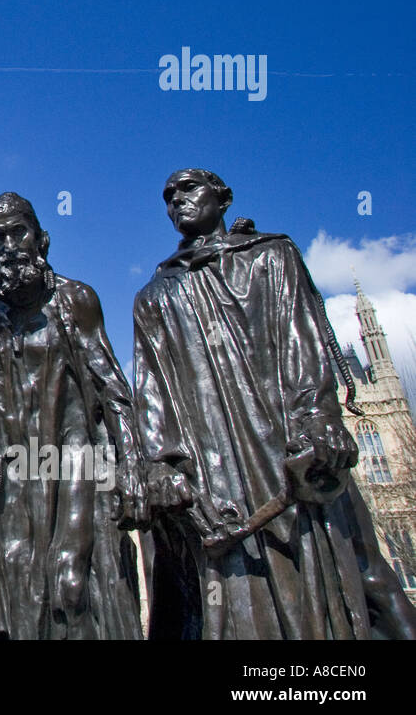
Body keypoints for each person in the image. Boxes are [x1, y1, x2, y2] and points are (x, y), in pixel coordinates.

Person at [133, 167, 414, 638]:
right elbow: (153, 394)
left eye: (189, 189)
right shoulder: (156, 295)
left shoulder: (273, 256)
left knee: (367, 579)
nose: (177, 201)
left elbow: (301, 341)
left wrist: (321, 417)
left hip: (294, 451)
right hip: (220, 470)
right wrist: (161, 464)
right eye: (168, 196)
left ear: (223, 199)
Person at [0, 192, 145, 639]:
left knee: (72, 585)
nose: (10, 244)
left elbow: (113, 390)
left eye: (20, 232)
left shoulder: (75, 300)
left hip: (77, 465)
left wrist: (131, 465)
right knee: (21, 599)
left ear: (42, 239)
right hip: (9, 478)